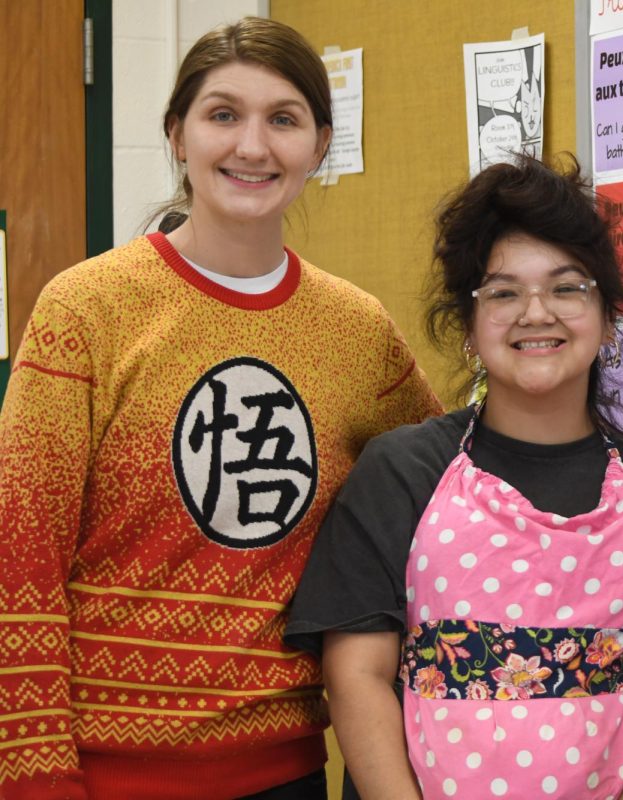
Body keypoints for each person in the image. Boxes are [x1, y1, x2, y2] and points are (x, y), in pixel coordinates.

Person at [0, 18, 441, 800]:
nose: (252, 146)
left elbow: (447, 492)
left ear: (317, 144)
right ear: (177, 135)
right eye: (223, 114)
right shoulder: (85, 310)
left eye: (283, 119)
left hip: (290, 771)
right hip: (100, 778)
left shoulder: (358, 331)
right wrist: (35, 775)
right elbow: (18, 557)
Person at [285, 155, 623, 799]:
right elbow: (357, 674)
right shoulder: (401, 473)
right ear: (468, 323)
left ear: (608, 314)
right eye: (504, 292)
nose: (536, 312)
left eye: (567, 288)